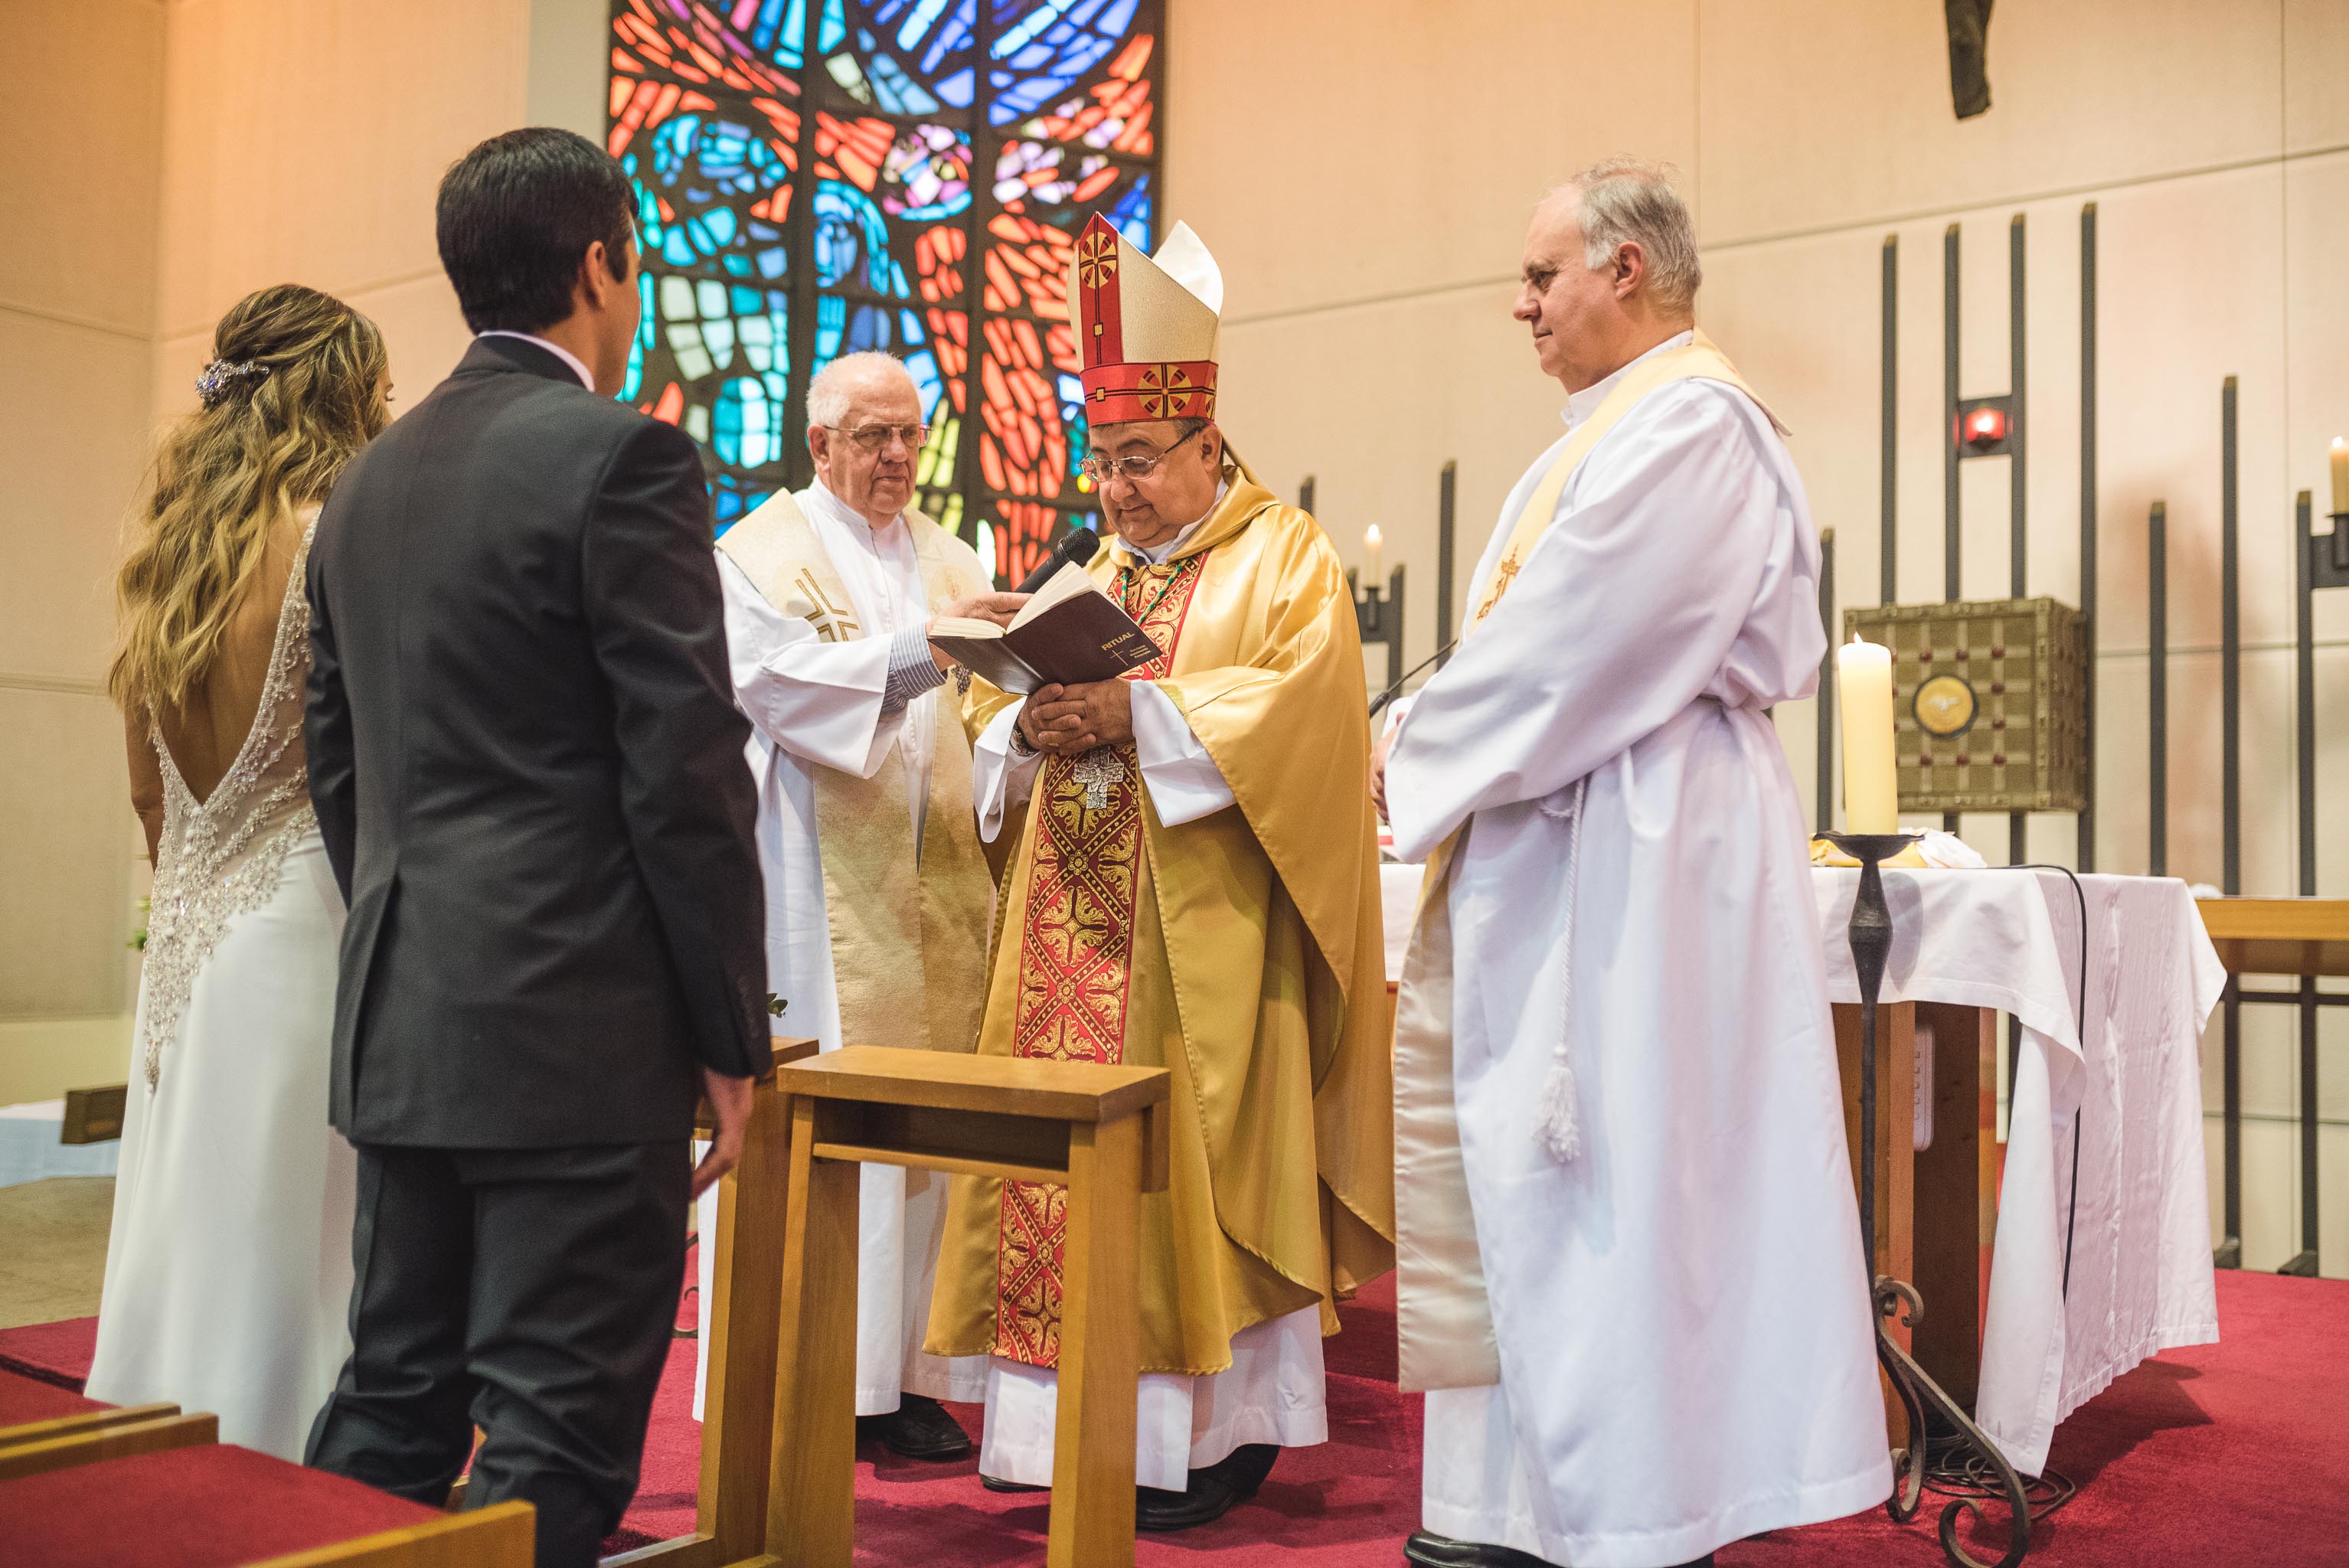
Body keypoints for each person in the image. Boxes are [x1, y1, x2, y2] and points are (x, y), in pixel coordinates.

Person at [1375, 159, 1891, 1568]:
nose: (1521, 302)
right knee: (1550, 1166)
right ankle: (1516, 1499)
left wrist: (1403, 747)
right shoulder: (1603, 432)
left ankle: (1633, 1503)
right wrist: (1428, 730)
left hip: (1646, 845)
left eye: (1545, 276)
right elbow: (1536, 645)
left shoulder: (1696, 427)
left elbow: (1576, 646)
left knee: (1620, 1161)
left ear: (1630, 273)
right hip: (1573, 823)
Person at [300, 128, 770, 1568]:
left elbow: (342, 766)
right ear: (598, 266)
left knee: (391, 1405)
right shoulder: (621, 459)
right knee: (557, 1431)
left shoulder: (366, 484)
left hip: (409, 1016)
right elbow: (682, 773)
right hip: (575, 1032)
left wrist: (415, 927)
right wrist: (729, 1036)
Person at [923, 214, 1395, 1531]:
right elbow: (993, 739)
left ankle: (1206, 1438)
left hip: (1203, 954)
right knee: (1054, 1180)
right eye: (1104, 462)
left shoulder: (1284, 558)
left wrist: (1142, 715)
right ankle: (1052, 1439)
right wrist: (1025, 715)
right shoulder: (1099, 569)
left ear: (1207, 445)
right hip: (1065, 938)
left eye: (1139, 462)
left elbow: (1306, 716)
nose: (1117, 489)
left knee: (1184, 1175)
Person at [694, 349, 1023, 1457]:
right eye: (874, 438)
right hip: (811, 888)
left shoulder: (952, 554)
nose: (897, 458)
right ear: (818, 442)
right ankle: (816, 1364)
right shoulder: (752, 557)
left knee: (924, 1132)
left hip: (937, 880)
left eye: (910, 437)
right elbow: (789, 693)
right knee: (840, 1125)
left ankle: (909, 1374)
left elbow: (974, 713)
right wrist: (938, 646)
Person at [87, 285, 390, 1460]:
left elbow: (147, 789)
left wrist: (194, 885)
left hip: (191, 927)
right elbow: (371, 748)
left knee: (185, 1206)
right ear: (339, 392)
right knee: (289, 1231)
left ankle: (149, 1450)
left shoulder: (171, 546)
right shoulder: (332, 535)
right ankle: (272, 1459)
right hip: (303, 916)